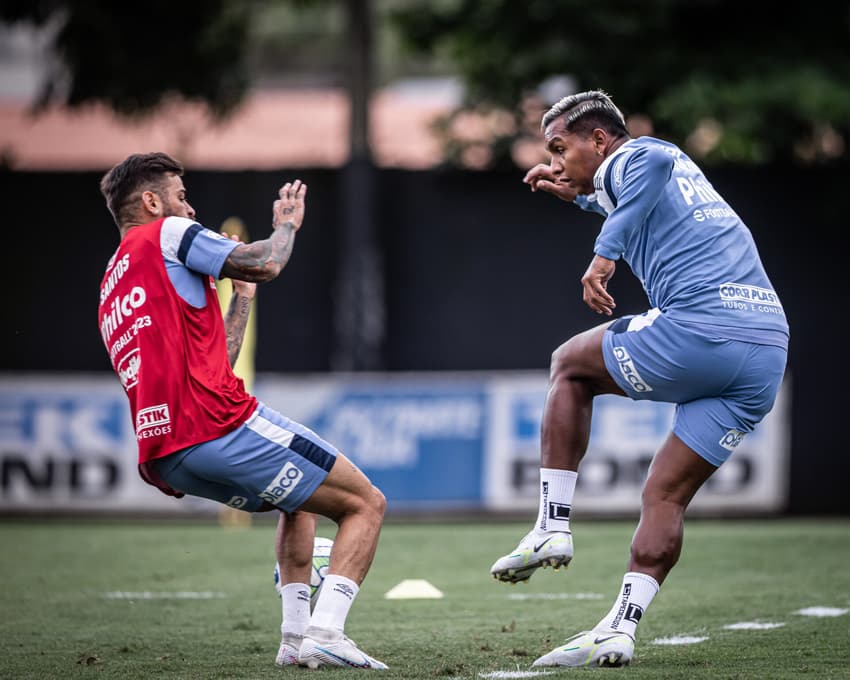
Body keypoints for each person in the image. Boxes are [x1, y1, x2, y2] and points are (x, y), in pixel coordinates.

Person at [489, 90, 789, 668]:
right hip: (763, 355)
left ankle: (552, 525)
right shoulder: (653, 180)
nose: (555, 160)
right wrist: (578, 197)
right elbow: (641, 201)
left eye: (560, 148)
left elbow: (648, 166)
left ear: (599, 139)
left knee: (569, 364)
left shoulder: (642, 153)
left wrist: (604, 256)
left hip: (706, 328)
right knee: (664, 493)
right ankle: (620, 628)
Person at [97, 152, 388, 670]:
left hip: (167, 454)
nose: (190, 209)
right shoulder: (166, 235)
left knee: (298, 501)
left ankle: (296, 640)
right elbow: (267, 260)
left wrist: (242, 299)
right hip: (216, 425)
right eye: (182, 197)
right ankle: (328, 629)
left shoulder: (112, 287)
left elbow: (216, 363)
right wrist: (285, 226)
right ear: (150, 201)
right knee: (365, 503)